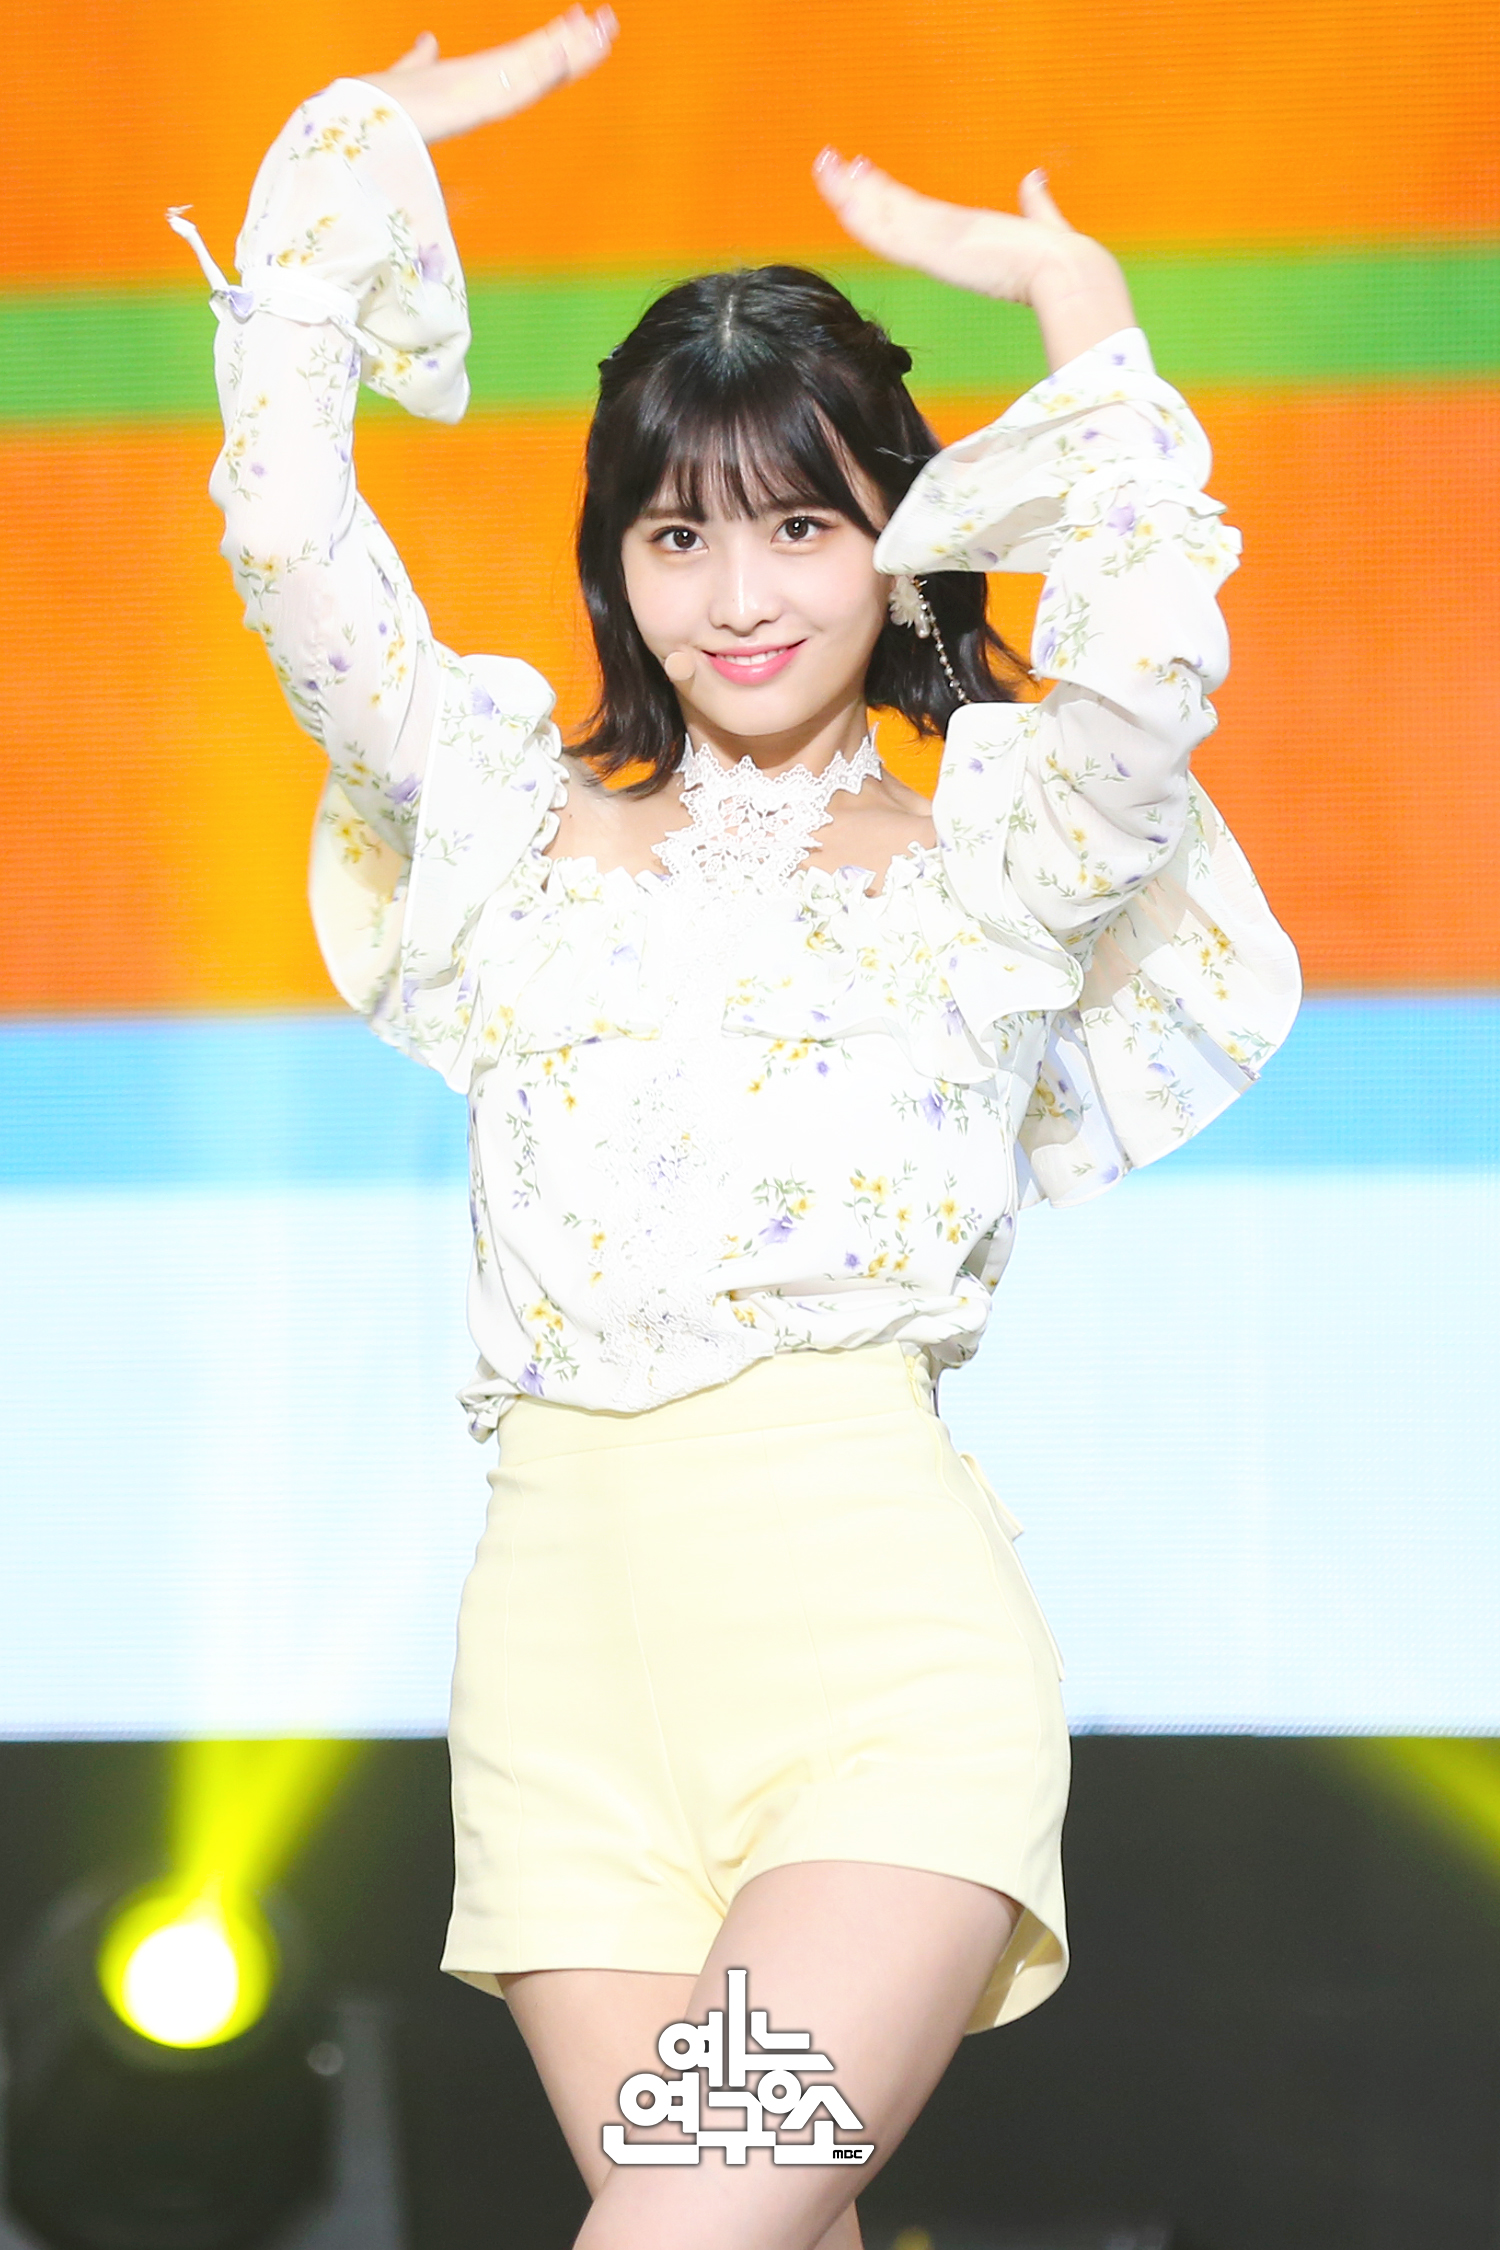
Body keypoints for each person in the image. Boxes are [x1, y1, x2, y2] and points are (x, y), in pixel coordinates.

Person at [170, 14, 1300, 2246]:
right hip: (561, 1695)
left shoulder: (1000, 854)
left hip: (882, 1677)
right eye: (677, 531)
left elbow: (1152, 664)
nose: (740, 591)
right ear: (618, 559)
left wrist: (1073, 300)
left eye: (802, 522)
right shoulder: (494, 821)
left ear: (901, 537)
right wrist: (356, 153)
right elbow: (289, 534)